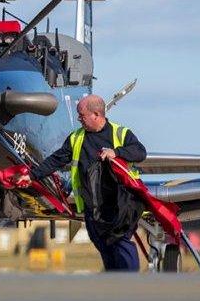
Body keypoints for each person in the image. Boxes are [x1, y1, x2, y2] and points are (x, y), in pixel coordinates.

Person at [14, 95, 146, 271]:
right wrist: (32, 176)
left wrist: (116, 152)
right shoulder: (76, 138)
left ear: (96, 114)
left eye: (81, 115)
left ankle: (131, 283)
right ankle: (115, 284)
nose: (78, 119)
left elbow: (140, 152)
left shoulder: (120, 133)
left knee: (120, 241)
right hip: (93, 207)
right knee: (104, 246)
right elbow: (56, 160)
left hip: (120, 204)